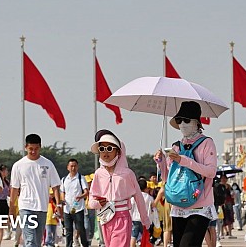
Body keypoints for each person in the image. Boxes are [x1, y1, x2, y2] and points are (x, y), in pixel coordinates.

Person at [154, 101, 217, 247]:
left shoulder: (207, 143)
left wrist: (184, 160)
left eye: (186, 120)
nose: (182, 124)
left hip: (200, 205)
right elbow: (168, 178)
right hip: (178, 205)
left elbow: (211, 172)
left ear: (196, 122)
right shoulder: (176, 146)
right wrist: (161, 162)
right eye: (179, 120)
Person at [88, 129, 151, 247]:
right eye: (102, 149)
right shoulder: (98, 174)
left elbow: (138, 197)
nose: (105, 152)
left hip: (122, 216)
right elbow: (91, 200)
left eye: (110, 148)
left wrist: (145, 219)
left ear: (118, 152)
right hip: (104, 217)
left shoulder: (127, 174)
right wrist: (97, 203)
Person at [9, 134, 63, 247]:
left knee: (37, 242)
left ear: (40, 147)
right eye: (31, 149)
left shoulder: (48, 164)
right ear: (25, 147)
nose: (33, 151)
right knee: (30, 240)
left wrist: (59, 205)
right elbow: (14, 188)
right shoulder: (18, 165)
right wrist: (12, 208)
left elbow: (55, 186)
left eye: (36, 149)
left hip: (42, 207)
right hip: (26, 207)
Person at [61, 158, 89, 247]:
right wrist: (63, 200)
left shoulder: (81, 178)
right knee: (68, 229)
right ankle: (69, 245)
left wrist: (80, 196)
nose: (73, 168)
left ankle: (85, 244)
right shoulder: (64, 179)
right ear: (68, 167)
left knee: (80, 228)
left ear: (77, 167)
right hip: (67, 209)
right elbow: (62, 192)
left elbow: (86, 192)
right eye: (71, 166)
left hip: (78, 208)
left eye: (75, 166)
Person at [130, 179, 153, 247]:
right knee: (145, 235)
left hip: (135, 219)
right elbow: (152, 208)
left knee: (134, 234)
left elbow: (131, 208)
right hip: (145, 220)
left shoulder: (134, 197)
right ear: (146, 188)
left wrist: (131, 217)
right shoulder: (149, 197)